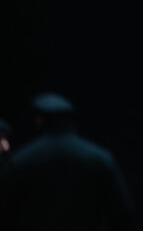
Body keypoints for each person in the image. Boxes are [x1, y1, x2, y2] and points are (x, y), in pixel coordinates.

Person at [0, 92, 135, 230]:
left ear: (39, 119)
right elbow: (122, 213)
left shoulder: (21, 161)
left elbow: (5, 214)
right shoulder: (100, 158)